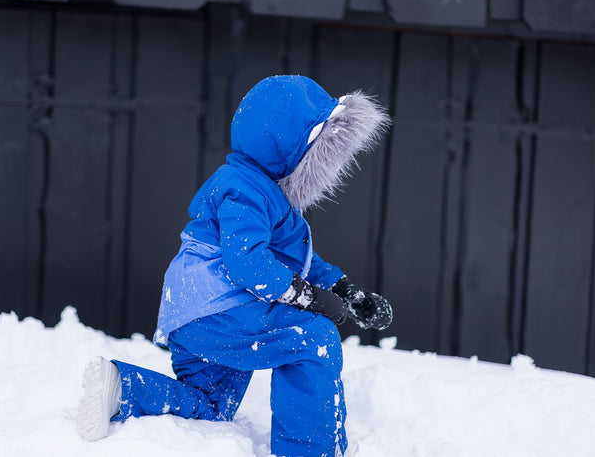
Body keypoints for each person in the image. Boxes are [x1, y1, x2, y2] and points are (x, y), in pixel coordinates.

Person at [75, 75, 393, 456]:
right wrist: (308, 299)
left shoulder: (265, 192)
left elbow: (299, 261)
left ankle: (123, 387)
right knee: (314, 339)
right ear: (288, 146)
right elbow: (247, 263)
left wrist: (347, 292)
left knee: (210, 406)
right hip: (219, 306)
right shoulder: (243, 189)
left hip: (196, 315)